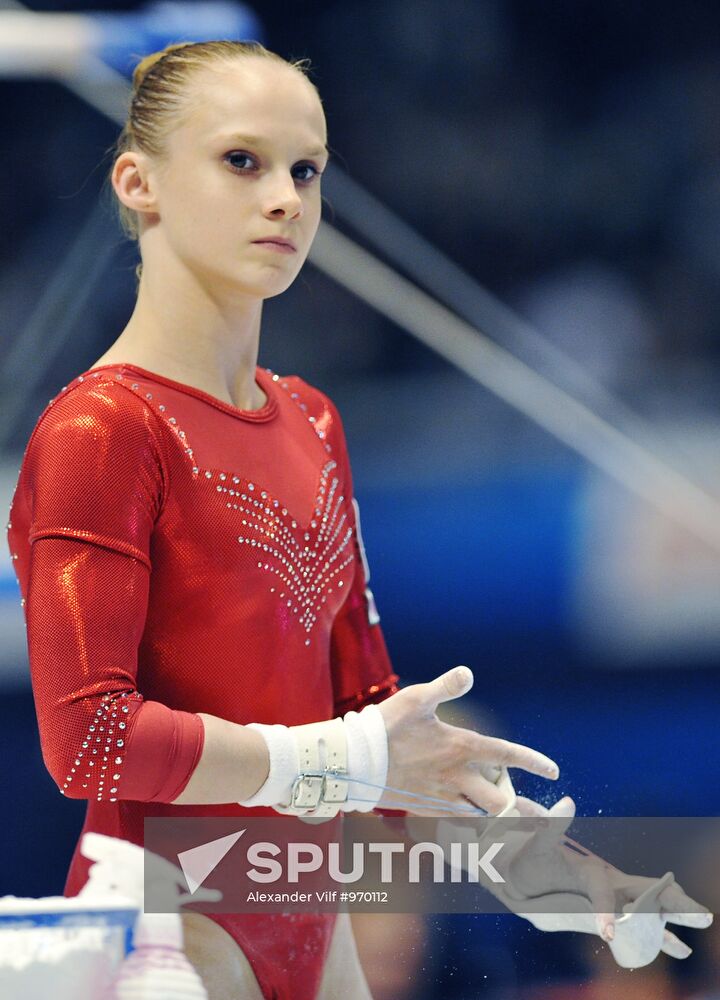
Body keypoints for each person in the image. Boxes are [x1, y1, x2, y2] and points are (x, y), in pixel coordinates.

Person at [5, 40, 710, 1000]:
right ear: (139, 182)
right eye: (242, 161)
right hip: (165, 925)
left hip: (308, 921)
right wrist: (346, 759)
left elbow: (375, 724)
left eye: (306, 170)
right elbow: (89, 739)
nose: (285, 199)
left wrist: (557, 878)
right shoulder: (102, 431)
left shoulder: (311, 423)